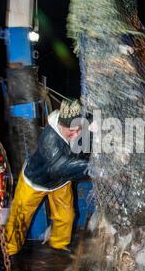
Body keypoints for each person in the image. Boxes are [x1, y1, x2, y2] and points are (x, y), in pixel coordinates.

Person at [5, 98, 88, 256]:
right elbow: (60, 167)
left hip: (60, 183)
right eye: (73, 130)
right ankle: (10, 250)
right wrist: (91, 167)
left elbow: (88, 121)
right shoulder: (49, 139)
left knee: (66, 215)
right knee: (19, 217)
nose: (77, 134)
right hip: (35, 181)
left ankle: (59, 243)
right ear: (61, 125)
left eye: (79, 129)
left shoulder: (73, 127)